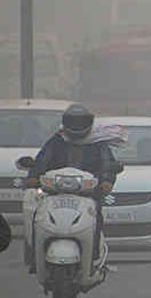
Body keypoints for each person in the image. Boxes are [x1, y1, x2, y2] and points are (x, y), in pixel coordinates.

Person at [24, 104, 124, 268]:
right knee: (36, 214)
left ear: (89, 122)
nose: (77, 126)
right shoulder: (57, 140)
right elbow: (42, 160)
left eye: (81, 122)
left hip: (88, 192)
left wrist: (106, 181)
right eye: (73, 121)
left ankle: (93, 255)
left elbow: (107, 164)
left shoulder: (97, 143)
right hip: (55, 192)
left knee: (96, 215)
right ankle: (35, 257)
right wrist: (33, 177)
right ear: (65, 122)